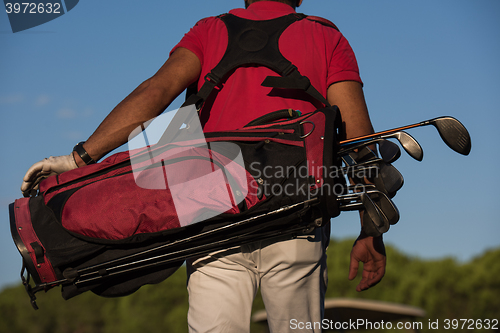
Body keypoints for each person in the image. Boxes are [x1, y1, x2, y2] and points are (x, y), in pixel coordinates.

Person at [21, 0, 386, 332]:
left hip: (212, 215)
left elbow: (155, 93)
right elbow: (359, 140)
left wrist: (78, 159)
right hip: (295, 211)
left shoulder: (211, 30)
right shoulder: (325, 35)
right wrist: (372, 230)